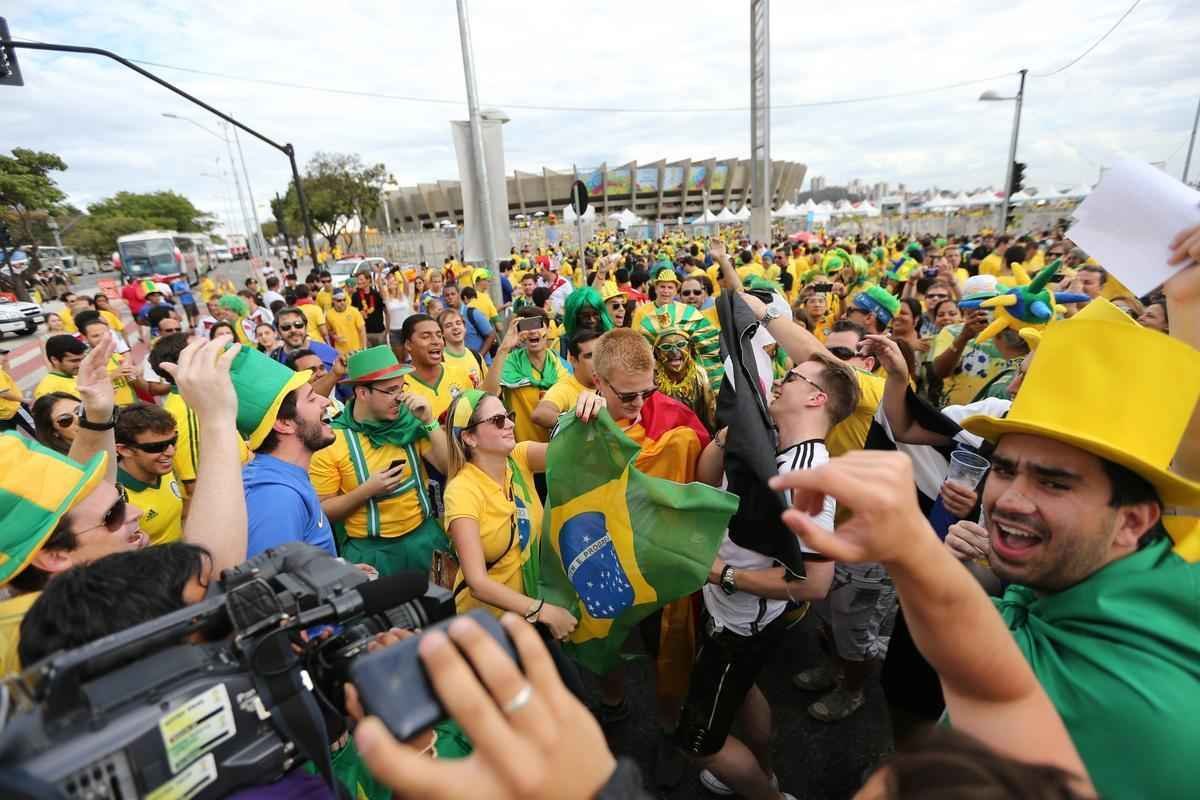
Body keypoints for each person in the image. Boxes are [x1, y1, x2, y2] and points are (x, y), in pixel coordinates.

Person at [771, 451, 1093, 800]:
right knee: (904, 693)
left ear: (1131, 521)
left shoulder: (1111, 658)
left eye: (1054, 483)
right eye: (1004, 469)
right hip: (937, 652)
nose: (1013, 497)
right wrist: (944, 555)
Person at [0, 334, 246, 675]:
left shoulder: (20, 611)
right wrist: (217, 418)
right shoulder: (74, 620)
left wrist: (99, 416)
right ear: (54, 556)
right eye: (112, 514)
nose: (136, 512)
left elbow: (83, 500)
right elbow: (213, 573)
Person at [680, 354, 859, 800]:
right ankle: (764, 772)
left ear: (817, 398)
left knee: (698, 744)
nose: (780, 379)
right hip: (736, 613)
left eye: (793, 377)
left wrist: (722, 574)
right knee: (745, 689)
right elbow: (709, 487)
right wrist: (726, 440)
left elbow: (813, 584)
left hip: (741, 621)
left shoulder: (808, 476)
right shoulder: (776, 445)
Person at [443, 389, 576, 639]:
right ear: (469, 437)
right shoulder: (461, 491)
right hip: (490, 629)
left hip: (532, 614)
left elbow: (575, 452)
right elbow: (478, 584)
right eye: (498, 420)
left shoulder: (519, 458)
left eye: (509, 415)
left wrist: (592, 407)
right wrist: (543, 611)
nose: (511, 424)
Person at [310, 346, 451, 576]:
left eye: (401, 387)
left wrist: (430, 421)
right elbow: (323, 510)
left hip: (425, 539)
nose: (400, 397)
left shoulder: (410, 421)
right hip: (371, 553)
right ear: (363, 393)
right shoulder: (333, 440)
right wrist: (366, 491)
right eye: (390, 390)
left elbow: (448, 467)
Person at [485, 307, 569, 446]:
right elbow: (488, 394)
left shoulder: (562, 366)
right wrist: (504, 348)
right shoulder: (509, 362)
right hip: (522, 453)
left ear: (548, 329)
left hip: (560, 450)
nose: (532, 331)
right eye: (526, 326)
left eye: (537, 324)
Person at [115, 403, 184, 546]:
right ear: (125, 450)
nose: (171, 452)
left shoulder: (161, 468)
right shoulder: (116, 498)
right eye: (156, 447)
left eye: (173, 441)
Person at [399, 313, 475, 421]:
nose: (436, 341)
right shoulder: (399, 387)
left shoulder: (461, 374)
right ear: (408, 345)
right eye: (426, 336)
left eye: (439, 336)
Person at [531, 329, 601, 432]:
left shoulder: (613, 383)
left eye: (600, 354)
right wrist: (580, 423)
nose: (597, 361)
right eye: (589, 356)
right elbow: (540, 414)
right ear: (573, 361)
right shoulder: (564, 388)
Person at [74, 310, 139, 406]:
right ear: (84, 337)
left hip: (130, 406)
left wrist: (136, 374)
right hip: (108, 411)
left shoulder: (116, 356)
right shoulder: (82, 362)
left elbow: (135, 382)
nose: (103, 339)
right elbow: (83, 389)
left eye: (105, 334)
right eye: (95, 336)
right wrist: (112, 376)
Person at [274, 306, 339, 371]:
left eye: (298, 325)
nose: (293, 330)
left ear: (306, 327)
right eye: (286, 327)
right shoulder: (274, 360)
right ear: (278, 332)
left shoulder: (328, 353)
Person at [438, 308, 486, 389]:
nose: (455, 327)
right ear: (442, 333)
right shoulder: (439, 360)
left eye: (458, 323)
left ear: (464, 327)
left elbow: (486, 387)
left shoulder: (476, 356)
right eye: (448, 325)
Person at [33, 334, 85, 400]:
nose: (80, 365)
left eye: (82, 359)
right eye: (74, 361)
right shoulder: (47, 391)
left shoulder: (75, 376)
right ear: (54, 360)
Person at [0, 347, 35, 437]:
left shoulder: (1, 372)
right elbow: (4, 393)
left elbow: (8, 377)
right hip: (15, 408)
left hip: (3, 414)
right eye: (2, 355)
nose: (5, 357)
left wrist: (5, 362)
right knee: (38, 432)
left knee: (11, 439)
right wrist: (25, 400)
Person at [326, 287, 368, 355]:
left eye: (344, 300)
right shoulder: (329, 314)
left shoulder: (354, 311)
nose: (342, 302)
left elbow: (362, 330)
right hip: (341, 351)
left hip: (356, 349)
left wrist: (364, 347)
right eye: (339, 300)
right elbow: (329, 330)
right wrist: (334, 337)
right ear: (333, 300)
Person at [352, 271, 388, 346]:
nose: (358, 282)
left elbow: (386, 312)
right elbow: (353, 315)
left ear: (368, 280)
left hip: (379, 332)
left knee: (381, 356)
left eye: (361, 279)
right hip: (364, 333)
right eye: (358, 280)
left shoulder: (376, 294)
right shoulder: (355, 296)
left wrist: (387, 330)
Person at [381, 268, 414, 347]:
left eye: (394, 280)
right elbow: (379, 285)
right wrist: (379, 272)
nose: (392, 282)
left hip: (406, 328)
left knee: (408, 356)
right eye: (390, 281)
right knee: (398, 357)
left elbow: (406, 282)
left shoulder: (404, 296)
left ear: (397, 283)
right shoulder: (387, 298)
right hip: (394, 330)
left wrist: (399, 270)